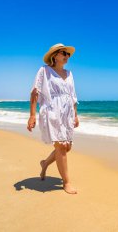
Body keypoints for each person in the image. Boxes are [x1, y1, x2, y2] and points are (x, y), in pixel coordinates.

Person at [27, 43, 79, 194]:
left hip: (67, 113)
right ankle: (66, 182)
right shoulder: (44, 70)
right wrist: (32, 115)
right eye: (63, 53)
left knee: (67, 147)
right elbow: (35, 92)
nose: (66, 56)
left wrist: (75, 115)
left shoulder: (69, 74)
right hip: (52, 111)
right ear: (54, 55)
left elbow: (73, 96)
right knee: (61, 146)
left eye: (68, 54)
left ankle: (44, 164)